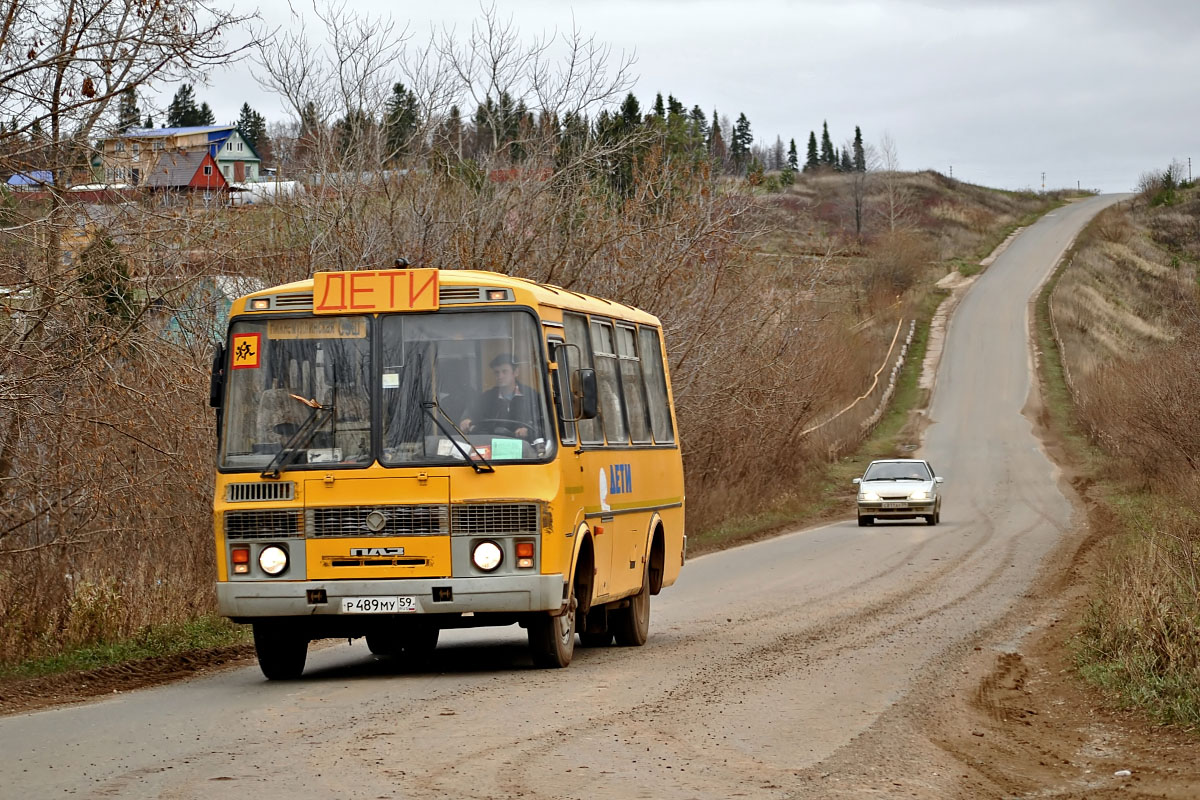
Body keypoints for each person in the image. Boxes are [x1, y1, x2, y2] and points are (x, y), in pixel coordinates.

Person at [461, 353, 539, 439]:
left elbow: (542, 425)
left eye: (504, 371)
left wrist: (528, 431)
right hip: (493, 444)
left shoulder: (532, 396)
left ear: (516, 372)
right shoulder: (486, 397)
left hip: (525, 446)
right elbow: (471, 414)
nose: (500, 376)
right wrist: (466, 420)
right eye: (496, 372)